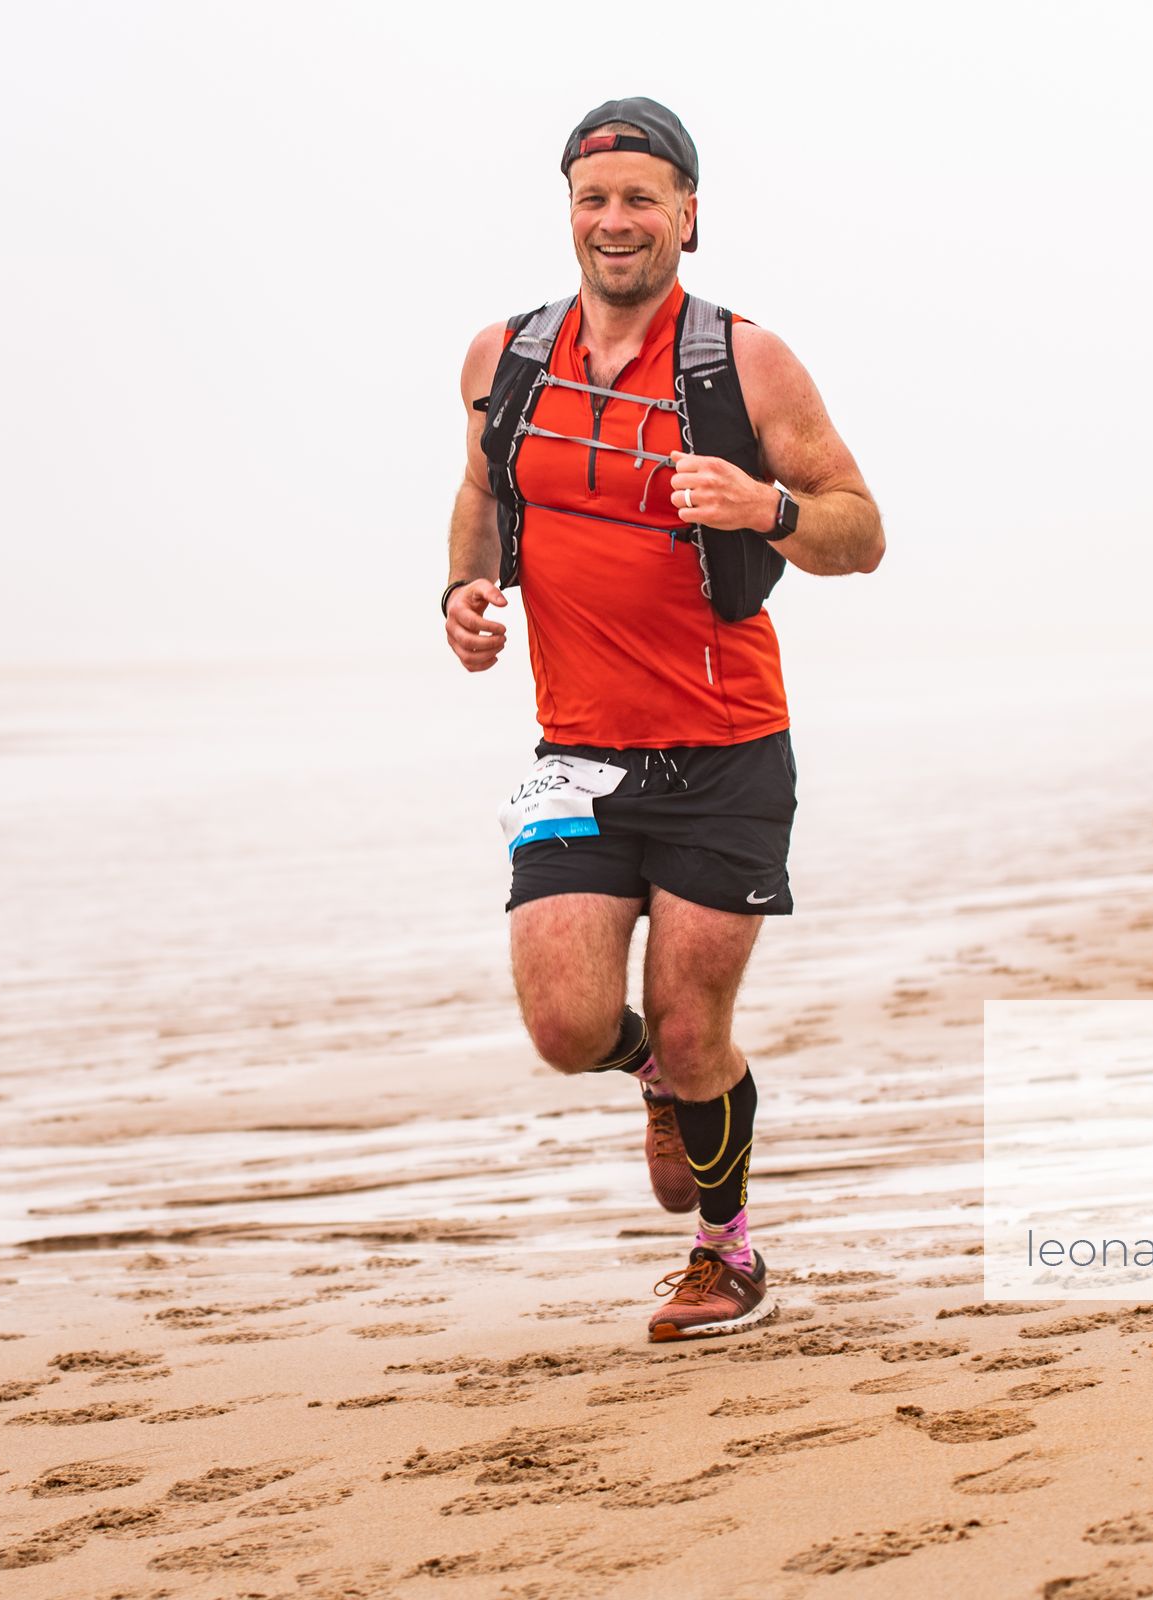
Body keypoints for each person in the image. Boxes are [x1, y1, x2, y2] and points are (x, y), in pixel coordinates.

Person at [441, 97, 884, 1342]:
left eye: (642, 198)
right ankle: (660, 1080)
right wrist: (464, 591)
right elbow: (483, 494)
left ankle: (724, 1256)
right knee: (565, 1025)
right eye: (595, 199)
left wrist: (766, 508)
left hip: (726, 751)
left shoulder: (745, 362)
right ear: (569, 214)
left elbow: (860, 529)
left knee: (697, 1031)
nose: (616, 220)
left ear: (688, 214)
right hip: (577, 754)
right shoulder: (504, 359)